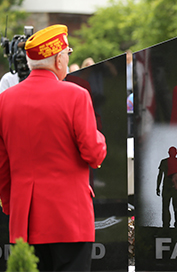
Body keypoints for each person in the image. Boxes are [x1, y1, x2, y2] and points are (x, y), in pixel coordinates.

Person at [0, 24, 107, 271]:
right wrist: (100, 137)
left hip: (24, 219)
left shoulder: (4, 101)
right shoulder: (76, 95)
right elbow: (93, 152)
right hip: (69, 217)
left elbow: (3, 165)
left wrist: (10, 206)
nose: (68, 59)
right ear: (59, 59)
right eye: (67, 54)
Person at [156, 146, 177, 228]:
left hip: (167, 187)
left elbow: (160, 175)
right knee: (176, 207)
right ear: (176, 153)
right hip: (176, 188)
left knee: (166, 207)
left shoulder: (164, 162)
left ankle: (166, 225)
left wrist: (158, 187)